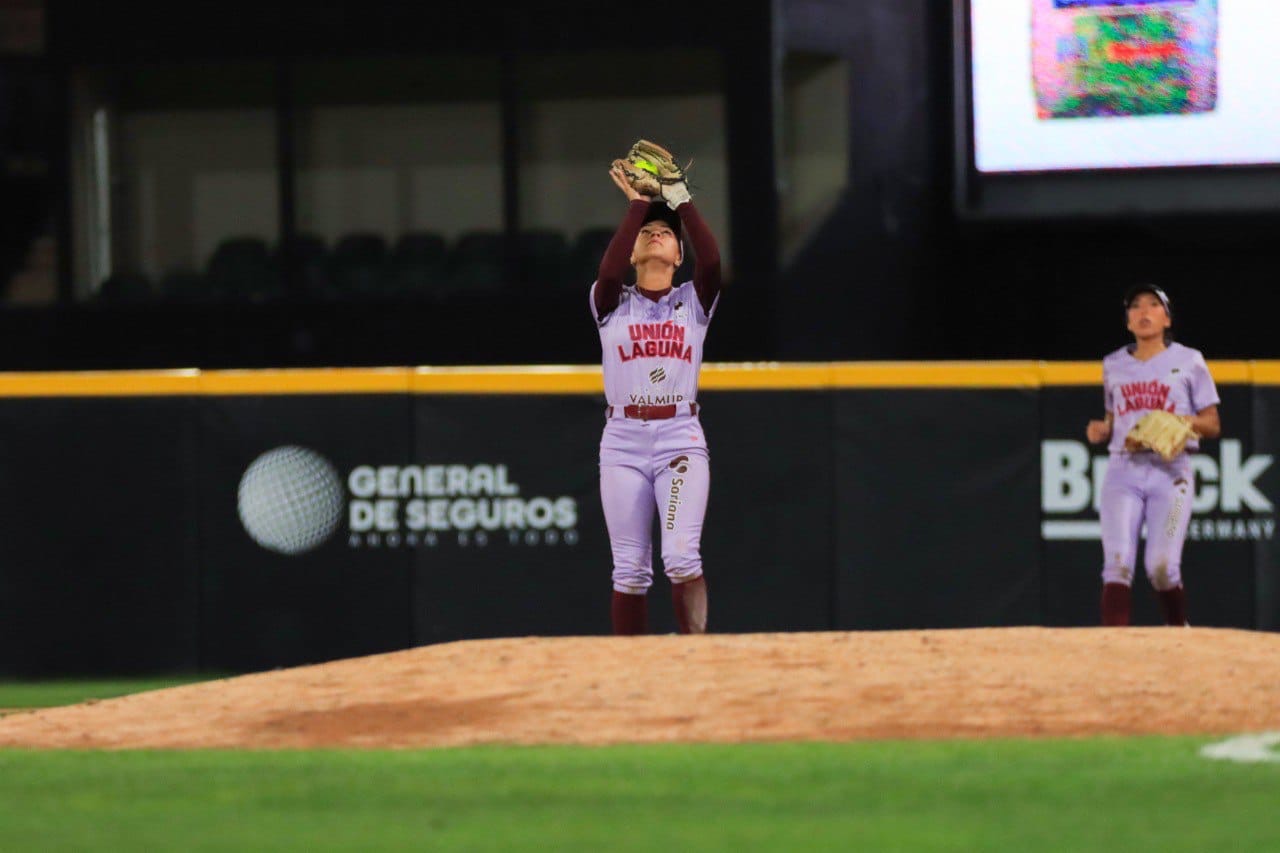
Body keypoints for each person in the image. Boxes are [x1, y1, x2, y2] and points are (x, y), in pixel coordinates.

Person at [590, 154, 722, 635]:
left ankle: (693, 660)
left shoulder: (694, 301)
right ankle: (634, 671)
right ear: (631, 252)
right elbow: (607, 272)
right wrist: (640, 206)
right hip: (623, 440)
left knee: (682, 556)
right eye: (647, 232)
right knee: (629, 568)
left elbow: (711, 259)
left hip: (679, 438)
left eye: (665, 233)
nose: (655, 234)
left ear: (678, 257)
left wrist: (681, 200)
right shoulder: (610, 303)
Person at [1085, 284, 1220, 626]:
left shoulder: (1189, 361)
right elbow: (1114, 419)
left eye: (1153, 305)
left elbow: (1212, 424)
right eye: (1135, 307)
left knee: (1162, 566)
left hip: (1173, 475)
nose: (1143, 312)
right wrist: (1103, 428)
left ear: (1167, 317)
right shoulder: (1113, 364)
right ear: (1128, 320)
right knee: (1117, 562)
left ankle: (1178, 631)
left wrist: (1180, 421)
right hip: (1123, 472)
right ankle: (1113, 650)